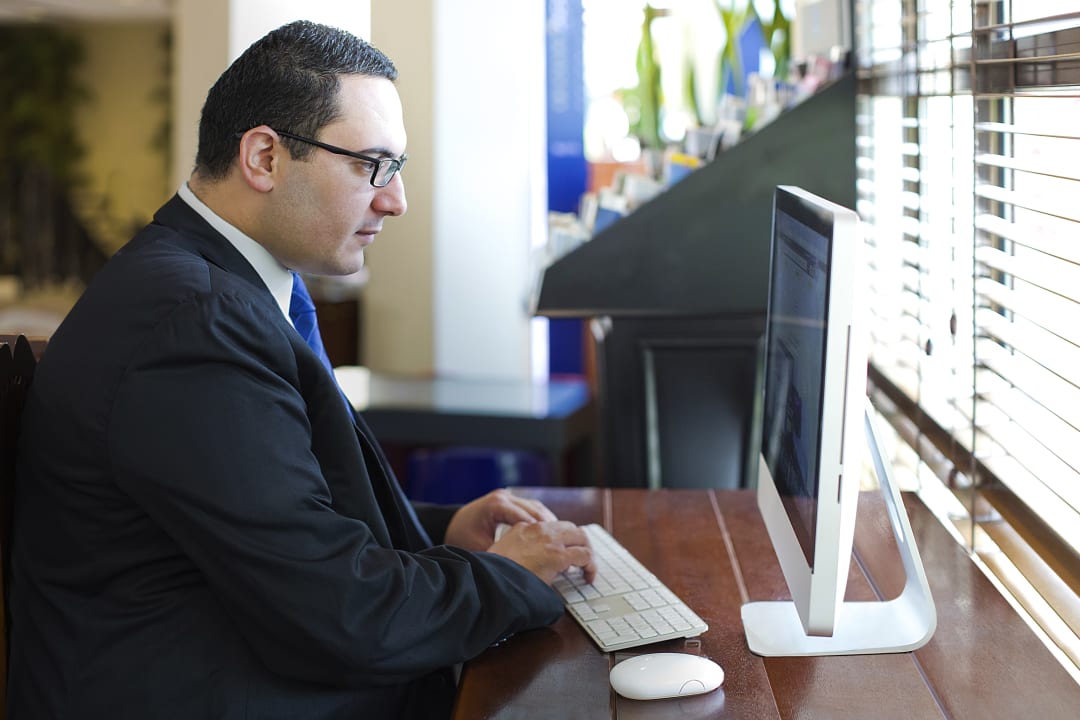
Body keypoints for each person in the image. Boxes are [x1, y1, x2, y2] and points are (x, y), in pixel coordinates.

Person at [7, 20, 594, 720]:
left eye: (397, 168)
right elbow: (345, 617)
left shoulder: (225, 285)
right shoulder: (191, 323)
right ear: (264, 157)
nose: (395, 199)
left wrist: (439, 531)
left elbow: (283, 514)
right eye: (370, 165)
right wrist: (507, 575)